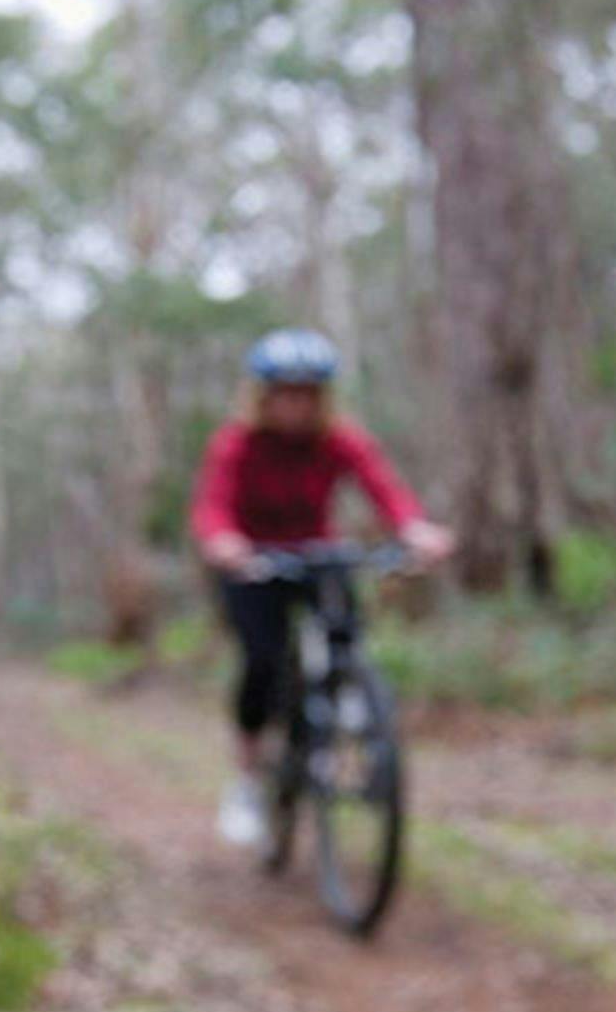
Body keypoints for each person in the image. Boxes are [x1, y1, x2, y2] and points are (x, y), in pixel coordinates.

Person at [191, 329, 454, 849]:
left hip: (318, 555)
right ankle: (247, 781)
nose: (297, 403)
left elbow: (385, 488)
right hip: (253, 563)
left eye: (308, 392)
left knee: (345, 636)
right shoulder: (236, 444)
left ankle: (346, 715)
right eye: (286, 391)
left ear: (323, 397)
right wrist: (223, 541)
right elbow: (212, 505)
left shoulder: (340, 439)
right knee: (262, 663)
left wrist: (414, 529)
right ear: (263, 396)